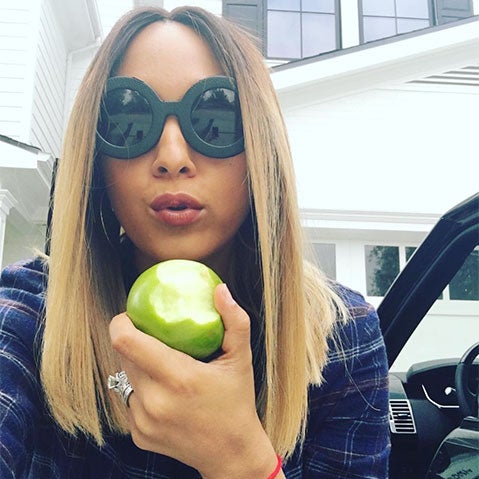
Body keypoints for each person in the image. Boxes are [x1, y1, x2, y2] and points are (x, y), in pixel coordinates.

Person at [0, 6, 390, 479]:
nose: (172, 156)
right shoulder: (29, 312)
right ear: (96, 157)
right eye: (130, 117)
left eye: (214, 117)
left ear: (260, 150)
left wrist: (240, 461)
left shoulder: (340, 337)